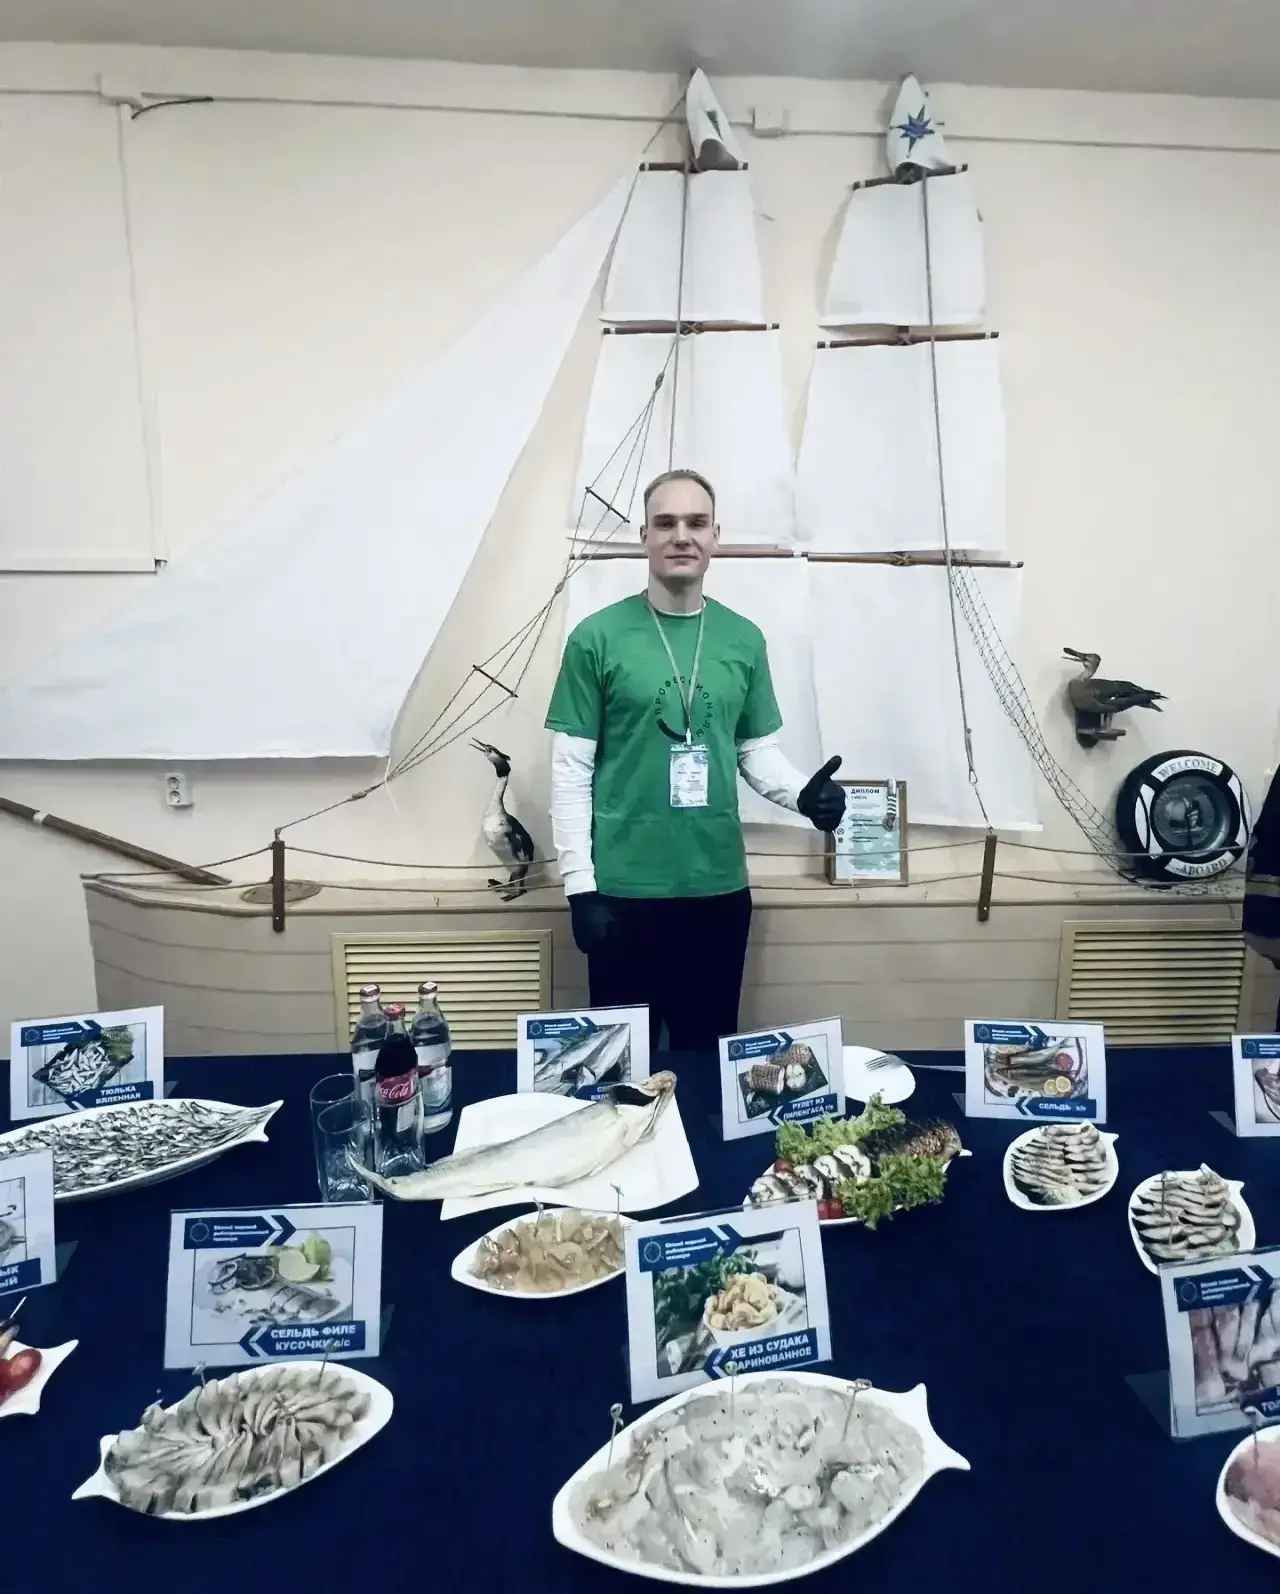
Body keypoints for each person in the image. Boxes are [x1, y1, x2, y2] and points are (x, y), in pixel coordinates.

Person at [545, 468, 847, 1052]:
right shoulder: (596, 638)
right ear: (644, 537)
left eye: (695, 523)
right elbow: (570, 771)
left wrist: (802, 796)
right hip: (622, 895)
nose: (681, 535)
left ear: (715, 536)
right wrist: (580, 888)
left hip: (716, 892)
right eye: (665, 523)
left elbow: (754, 752)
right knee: (620, 1068)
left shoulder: (743, 639)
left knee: (706, 1060)